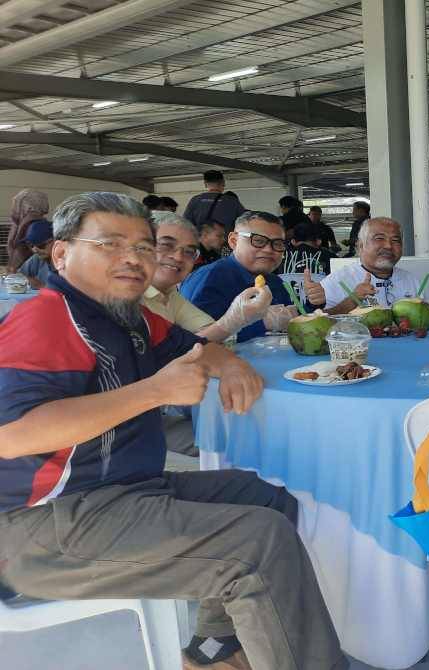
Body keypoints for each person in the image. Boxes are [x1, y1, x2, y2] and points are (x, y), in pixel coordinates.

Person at [0, 191, 347, 670]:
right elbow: (12, 434)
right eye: (109, 244)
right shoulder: (44, 319)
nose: (133, 258)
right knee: (258, 541)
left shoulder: (131, 316)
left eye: (144, 247)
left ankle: (212, 652)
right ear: (62, 253)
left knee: (264, 497)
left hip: (124, 491)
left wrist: (233, 367)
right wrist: (154, 392)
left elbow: (199, 348)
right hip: (43, 526)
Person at [145, 213, 274, 344]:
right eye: (166, 245)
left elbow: (204, 334)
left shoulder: (170, 295)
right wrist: (238, 319)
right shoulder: (130, 298)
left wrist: (237, 320)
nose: (178, 257)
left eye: (189, 251)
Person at [181, 211, 300, 342]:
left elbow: (295, 320)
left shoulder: (274, 281)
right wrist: (262, 324)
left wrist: (314, 303)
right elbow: (193, 339)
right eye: (258, 241)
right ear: (233, 241)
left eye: (277, 244)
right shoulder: (209, 279)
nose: (268, 250)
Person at [317, 217, 421, 313]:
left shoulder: (411, 281)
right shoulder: (338, 280)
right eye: (379, 238)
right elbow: (316, 321)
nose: (388, 246)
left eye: (395, 240)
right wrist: (352, 301)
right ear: (361, 245)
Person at [7, 189, 49, 272]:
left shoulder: (37, 228)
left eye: (17, 205)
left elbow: (17, 263)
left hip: (33, 280)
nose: (13, 209)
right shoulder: (27, 225)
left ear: (29, 208)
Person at [16, 219, 56, 289]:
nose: (35, 250)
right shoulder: (38, 258)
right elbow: (18, 275)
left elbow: (70, 295)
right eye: (31, 245)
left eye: (41, 245)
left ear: (56, 241)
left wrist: (41, 286)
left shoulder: (69, 263)